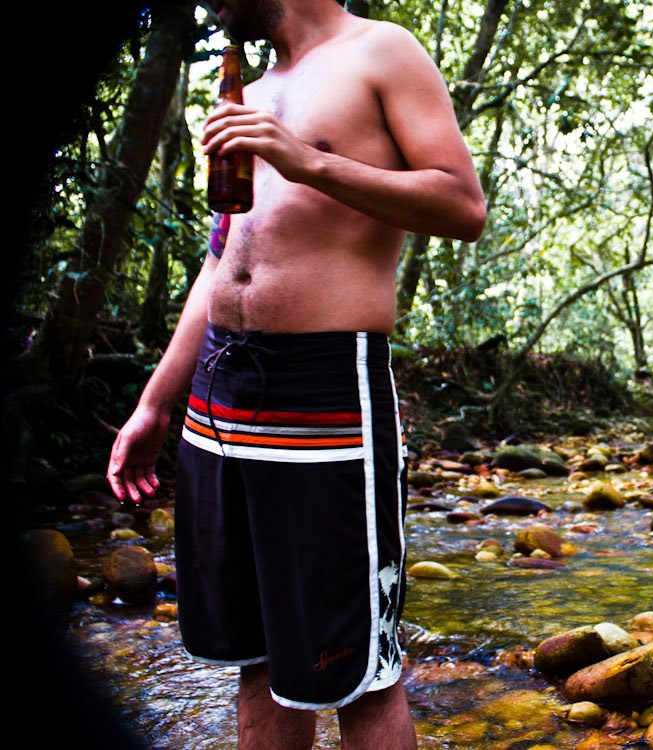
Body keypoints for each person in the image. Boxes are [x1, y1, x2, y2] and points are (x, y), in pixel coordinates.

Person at [105, 1, 486, 748]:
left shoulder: (381, 51)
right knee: (257, 658)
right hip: (216, 396)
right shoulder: (252, 87)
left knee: (355, 671)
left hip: (324, 388)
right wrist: (155, 404)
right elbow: (222, 257)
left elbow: (462, 204)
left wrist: (306, 160)